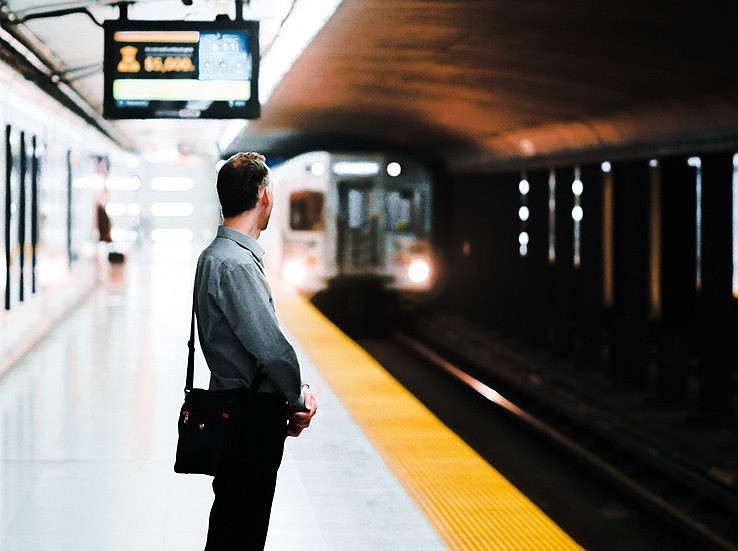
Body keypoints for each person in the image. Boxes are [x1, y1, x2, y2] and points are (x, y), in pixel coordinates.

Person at [194, 151, 318, 550]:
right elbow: (271, 349)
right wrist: (300, 399)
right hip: (250, 418)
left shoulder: (216, 256)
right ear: (264, 195)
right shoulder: (236, 264)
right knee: (243, 530)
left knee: (233, 523)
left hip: (232, 410)